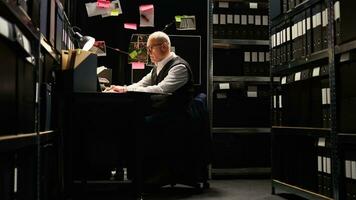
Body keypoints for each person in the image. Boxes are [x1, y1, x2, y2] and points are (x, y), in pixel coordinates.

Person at [106, 31, 195, 186]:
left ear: (164, 46)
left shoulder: (179, 67)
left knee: (139, 126)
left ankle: (151, 175)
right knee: (131, 122)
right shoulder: (157, 67)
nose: (148, 53)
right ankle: (137, 174)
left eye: (150, 48)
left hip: (177, 117)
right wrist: (122, 88)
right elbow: (141, 84)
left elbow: (161, 89)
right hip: (164, 114)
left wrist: (126, 91)